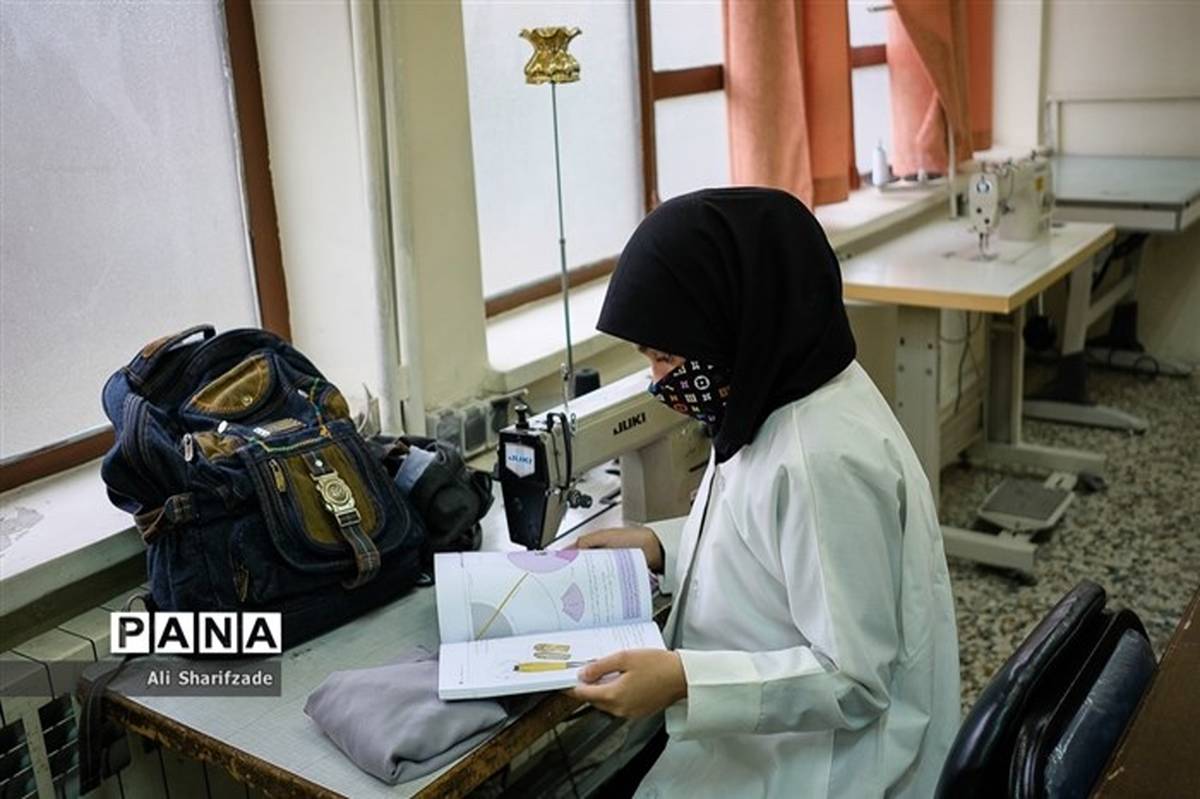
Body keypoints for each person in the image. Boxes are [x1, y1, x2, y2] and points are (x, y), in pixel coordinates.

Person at [567, 187, 961, 798]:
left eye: (666, 357)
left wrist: (684, 681)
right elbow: (767, 543)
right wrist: (660, 545)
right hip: (761, 747)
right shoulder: (772, 390)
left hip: (825, 770)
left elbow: (854, 680)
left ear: (737, 323)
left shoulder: (821, 457)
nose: (656, 381)